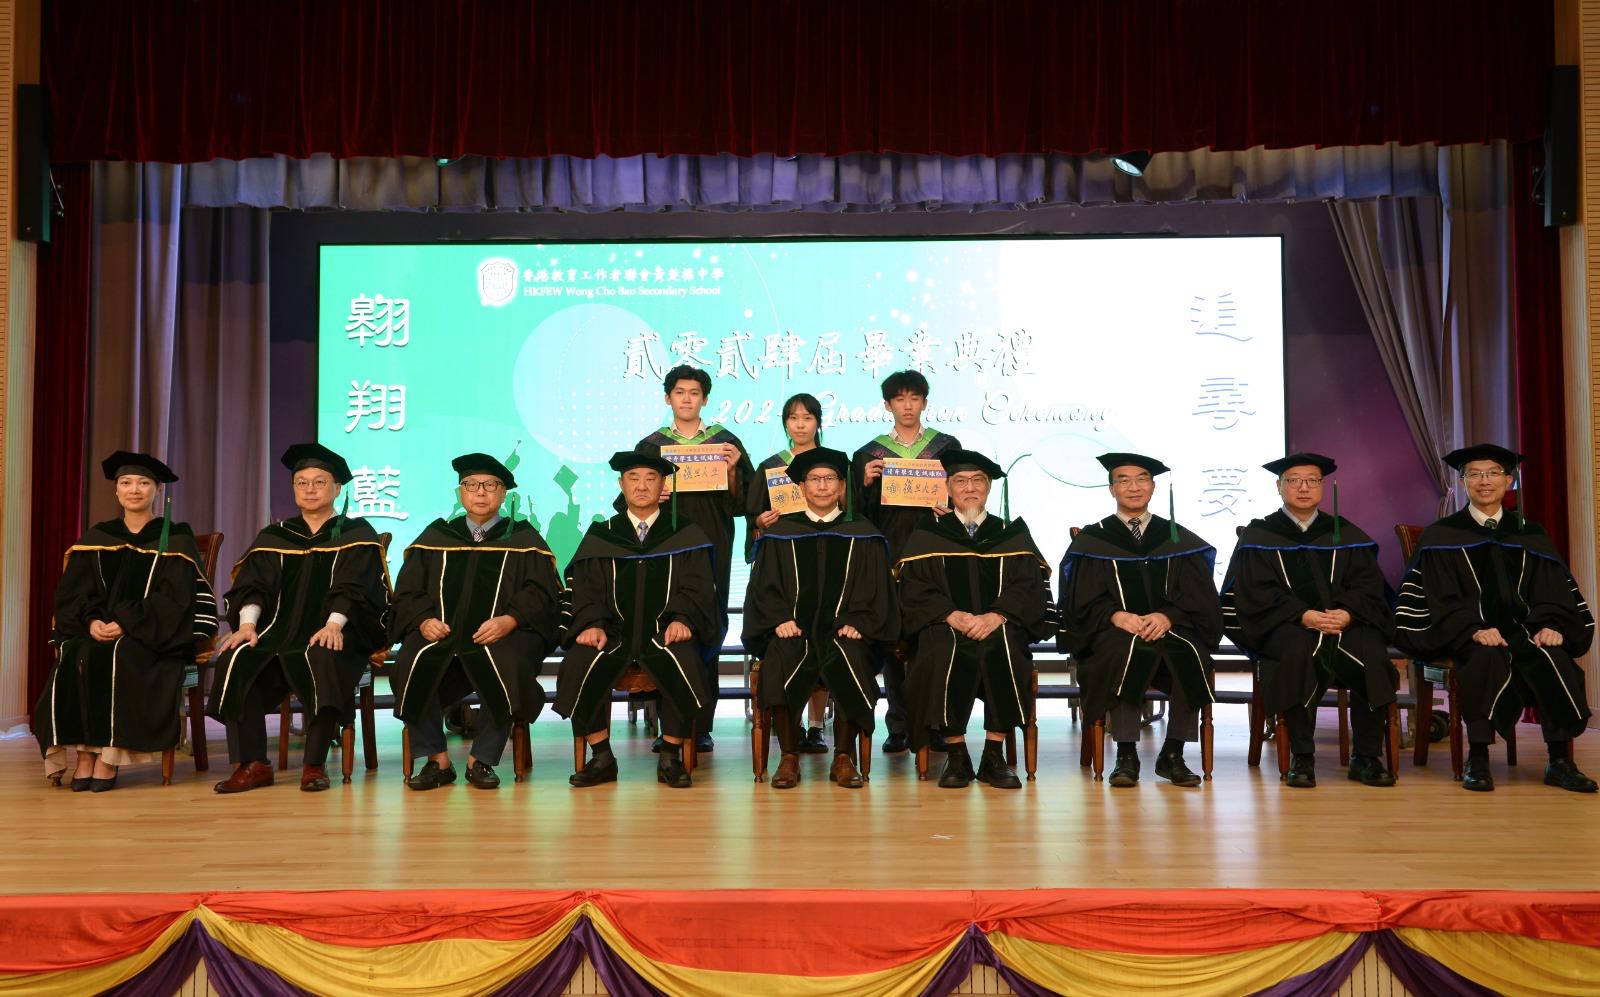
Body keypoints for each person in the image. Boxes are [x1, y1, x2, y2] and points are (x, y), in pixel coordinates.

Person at [1395, 444, 1596, 793]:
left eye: (1493, 473)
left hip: (1526, 630)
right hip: (1466, 633)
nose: (1484, 481)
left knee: (1553, 657)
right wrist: (1472, 629)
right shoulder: (1441, 535)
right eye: (1474, 474)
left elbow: (1553, 590)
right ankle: (1478, 758)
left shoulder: (1529, 534)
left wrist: (1552, 624)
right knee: (1484, 658)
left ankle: (1560, 761)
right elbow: (1437, 597)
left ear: (1508, 480)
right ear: (1463, 483)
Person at [210, 443, 390, 794]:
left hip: (338, 630)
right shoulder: (275, 536)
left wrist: (334, 624)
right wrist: (247, 626)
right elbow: (253, 586)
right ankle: (253, 764)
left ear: (337, 488)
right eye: (301, 482)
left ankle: (314, 764)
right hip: (276, 633)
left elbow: (356, 588)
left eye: (319, 482)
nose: (309, 489)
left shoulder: (356, 534)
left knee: (322, 654)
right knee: (237, 657)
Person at [34, 452, 217, 791]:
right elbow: (75, 592)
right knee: (76, 652)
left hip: (152, 633)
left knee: (124, 653)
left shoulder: (175, 538)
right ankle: (85, 755)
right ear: (116, 491)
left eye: (144, 483)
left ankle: (109, 756)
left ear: (157, 490)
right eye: (126, 483)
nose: (134, 489)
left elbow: (176, 599)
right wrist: (91, 622)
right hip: (97, 629)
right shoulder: (98, 537)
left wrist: (126, 623)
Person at [1220, 453, 1397, 788]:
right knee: (1296, 653)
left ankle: (1366, 757)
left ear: (1322, 486)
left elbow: (1368, 586)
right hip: (1287, 625)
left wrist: (1348, 613)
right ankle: (1302, 756)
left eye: (1312, 480)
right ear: (1279, 486)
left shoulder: (1345, 533)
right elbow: (1253, 592)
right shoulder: (1260, 535)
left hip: (1345, 624)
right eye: (1294, 480)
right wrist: (1303, 615)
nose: (1303, 488)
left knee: (1372, 654)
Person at [389, 452, 563, 791]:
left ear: (503, 494)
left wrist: (511, 620)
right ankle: (436, 759)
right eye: (471, 485)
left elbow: (542, 593)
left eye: (490, 485)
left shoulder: (524, 539)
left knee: (508, 661)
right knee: (411, 659)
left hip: (500, 635)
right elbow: (408, 590)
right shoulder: (437, 537)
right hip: (442, 634)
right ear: (460, 493)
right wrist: (423, 620)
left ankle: (481, 759)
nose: (480, 492)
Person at [555, 452, 720, 789]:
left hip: (664, 631)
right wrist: (592, 623)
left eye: (650, 478)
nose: (642, 486)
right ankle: (601, 755)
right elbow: (586, 587)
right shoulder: (603, 534)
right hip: (612, 632)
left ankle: (670, 755)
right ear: (621, 484)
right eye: (633, 478)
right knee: (579, 659)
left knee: (683, 656)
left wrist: (683, 618)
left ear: (663, 485)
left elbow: (698, 585)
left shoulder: (684, 533)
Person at [1057, 453, 1221, 788]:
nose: (1134, 487)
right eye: (1124, 480)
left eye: (1141, 479)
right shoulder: (1095, 539)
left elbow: (1198, 595)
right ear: (1111, 489)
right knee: (1125, 652)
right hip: (1113, 631)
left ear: (1153, 486)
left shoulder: (1176, 538)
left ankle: (1173, 753)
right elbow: (1079, 599)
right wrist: (1115, 615)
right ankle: (1126, 753)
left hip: (1170, 629)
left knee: (1191, 654)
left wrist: (1168, 615)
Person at [897, 450, 1054, 789]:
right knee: (943, 647)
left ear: (988, 487)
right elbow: (914, 587)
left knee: (1006, 646)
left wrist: (997, 615)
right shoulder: (928, 534)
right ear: (948, 488)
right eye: (960, 481)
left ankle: (993, 755)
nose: (969, 488)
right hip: (944, 625)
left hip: (998, 625)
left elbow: (1028, 586)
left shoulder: (1010, 533)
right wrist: (951, 614)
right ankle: (956, 754)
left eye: (977, 481)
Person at [743, 447, 898, 789]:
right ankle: (788, 755)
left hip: (844, 631)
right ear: (801, 487)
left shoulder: (864, 533)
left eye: (830, 479)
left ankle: (843, 756)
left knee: (851, 654)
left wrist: (859, 620)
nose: (823, 486)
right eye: (815, 479)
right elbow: (763, 588)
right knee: (782, 654)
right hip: (794, 630)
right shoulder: (781, 533)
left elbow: (876, 589)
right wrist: (778, 619)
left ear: (842, 486)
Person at [634, 364, 755, 753]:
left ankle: (700, 724)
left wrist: (733, 471)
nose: (686, 399)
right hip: (664, 548)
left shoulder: (725, 443)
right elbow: (630, 500)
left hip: (711, 546)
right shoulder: (651, 447)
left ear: (705, 399)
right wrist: (652, 495)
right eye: (679, 392)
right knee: (664, 629)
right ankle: (668, 724)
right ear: (667, 398)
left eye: (694, 393)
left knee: (707, 629)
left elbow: (744, 503)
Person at [850, 369, 962, 753]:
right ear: (888, 405)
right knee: (893, 641)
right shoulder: (870, 454)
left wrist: (949, 506)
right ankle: (898, 723)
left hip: (935, 556)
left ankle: (936, 723)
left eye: (914, 398)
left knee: (934, 638)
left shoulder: (947, 448)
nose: (908, 405)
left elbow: (965, 497)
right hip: (890, 556)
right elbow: (857, 515)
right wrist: (864, 483)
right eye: (899, 399)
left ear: (925, 403)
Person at [747, 391, 832, 752]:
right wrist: (760, 522)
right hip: (784, 565)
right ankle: (791, 724)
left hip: (826, 562)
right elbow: (753, 517)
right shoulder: (770, 467)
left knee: (822, 638)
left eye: (807, 418)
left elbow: (848, 512)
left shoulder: (832, 465)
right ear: (785, 424)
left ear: (818, 423)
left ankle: (816, 725)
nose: (800, 425)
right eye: (793, 418)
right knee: (790, 643)